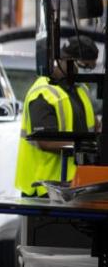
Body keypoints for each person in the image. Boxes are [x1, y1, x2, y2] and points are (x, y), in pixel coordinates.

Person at [15, 36, 99, 197]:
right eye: (84, 66)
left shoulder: (80, 89)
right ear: (68, 60)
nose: (82, 72)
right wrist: (83, 148)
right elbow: (45, 141)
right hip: (43, 189)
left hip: (75, 186)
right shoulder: (43, 93)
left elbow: (93, 127)